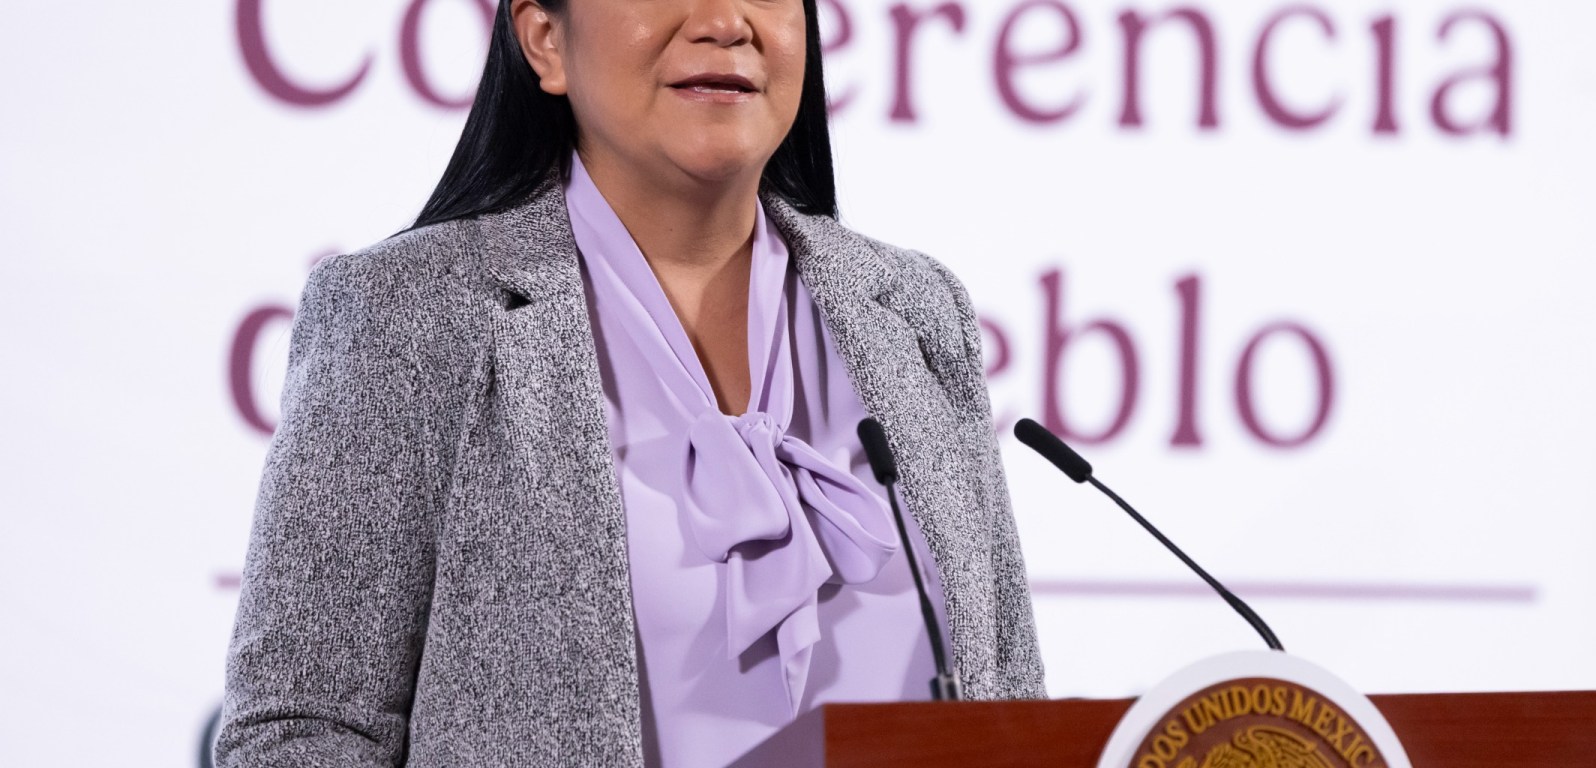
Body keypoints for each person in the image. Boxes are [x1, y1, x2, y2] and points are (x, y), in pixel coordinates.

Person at [213, 0, 1046, 765]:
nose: (726, 21)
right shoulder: (414, 312)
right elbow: (303, 730)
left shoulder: (913, 311)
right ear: (546, 40)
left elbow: (1009, 700)